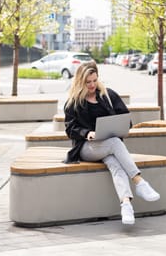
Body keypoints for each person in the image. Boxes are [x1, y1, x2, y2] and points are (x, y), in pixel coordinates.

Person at [63, 61, 160, 225]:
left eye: (94, 80)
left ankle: (126, 205)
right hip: (87, 148)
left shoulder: (108, 95)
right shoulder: (73, 102)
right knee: (114, 143)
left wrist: (120, 127)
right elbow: (70, 129)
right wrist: (87, 133)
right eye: (88, 82)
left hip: (108, 147)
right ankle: (139, 182)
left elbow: (125, 119)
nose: (92, 84)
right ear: (80, 82)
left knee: (116, 165)